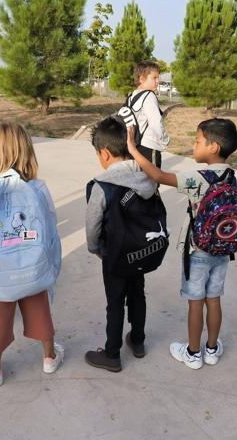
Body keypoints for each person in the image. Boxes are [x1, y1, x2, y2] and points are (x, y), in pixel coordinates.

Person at [126, 118, 237, 370]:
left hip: (197, 251)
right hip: (222, 252)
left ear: (213, 147)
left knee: (195, 303)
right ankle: (211, 349)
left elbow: (157, 176)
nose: (194, 145)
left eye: (198, 141)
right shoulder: (233, 179)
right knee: (214, 299)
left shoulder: (198, 177)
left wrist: (134, 149)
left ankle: (192, 352)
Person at [0, 122, 63, 387]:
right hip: (33, 266)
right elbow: (50, 225)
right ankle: (49, 357)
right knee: (40, 310)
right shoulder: (38, 187)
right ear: (26, 150)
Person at [83, 117, 159, 372]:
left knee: (115, 302)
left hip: (114, 256)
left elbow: (93, 225)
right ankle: (138, 342)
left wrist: (95, 249)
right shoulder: (148, 179)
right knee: (137, 294)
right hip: (140, 252)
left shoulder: (101, 186)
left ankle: (112, 354)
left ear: (104, 153)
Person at [127, 60, 168, 167]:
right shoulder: (149, 96)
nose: (158, 81)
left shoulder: (132, 96)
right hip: (149, 146)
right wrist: (165, 142)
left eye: (158, 78)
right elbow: (156, 122)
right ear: (141, 78)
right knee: (151, 181)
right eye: (154, 78)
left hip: (134, 146)